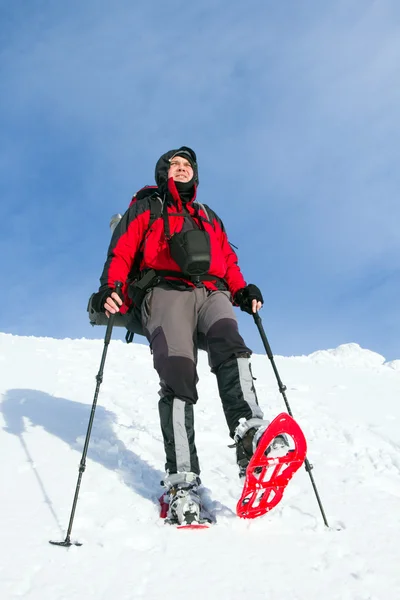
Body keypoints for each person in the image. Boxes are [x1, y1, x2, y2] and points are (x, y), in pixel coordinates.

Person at [91, 146, 281, 525]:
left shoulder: (208, 216)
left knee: (232, 346)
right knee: (178, 377)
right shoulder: (146, 209)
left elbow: (227, 258)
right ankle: (182, 483)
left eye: (187, 166)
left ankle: (250, 436)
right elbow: (123, 251)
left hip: (212, 291)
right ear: (164, 173)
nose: (181, 169)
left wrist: (241, 289)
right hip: (164, 292)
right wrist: (110, 287)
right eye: (174, 165)